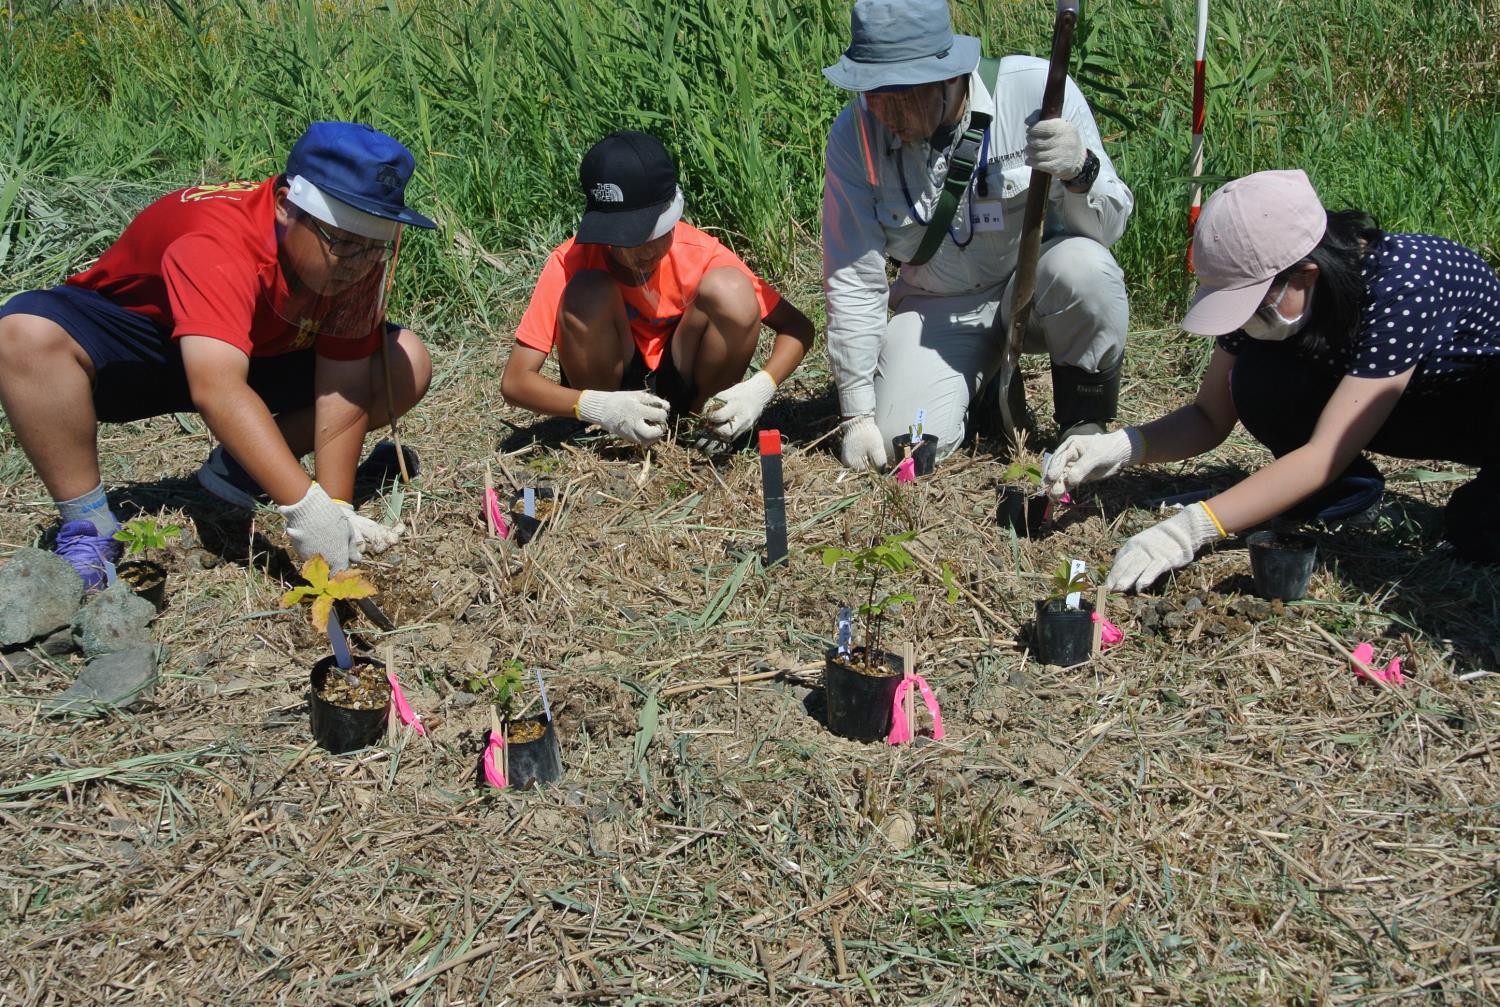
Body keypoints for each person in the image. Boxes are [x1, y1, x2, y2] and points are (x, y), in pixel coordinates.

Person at [0, 121, 433, 587]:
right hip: (141, 350)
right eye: (343, 243)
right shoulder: (217, 241)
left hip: (256, 351)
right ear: (286, 206)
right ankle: (88, 526)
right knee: (23, 335)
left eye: (373, 247)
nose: (358, 262)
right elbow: (218, 387)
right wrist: (305, 509)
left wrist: (336, 506)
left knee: (403, 360)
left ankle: (238, 470)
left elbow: (343, 382)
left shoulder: (354, 254)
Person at [1042, 169, 1500, 590]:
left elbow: (1323, 453)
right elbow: (1208, 416)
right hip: (1376, 399)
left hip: (1467, 410)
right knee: (1258, 376)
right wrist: (1123, 446)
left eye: (1254, 305)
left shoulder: (1405, 284)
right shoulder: (1279, 302)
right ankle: (1347, 500)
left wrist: (1191, 529)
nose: (1244, 322)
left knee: (1475, 529)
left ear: (1307, 273)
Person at [821, 0, 1132, 470]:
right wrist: (856, 412)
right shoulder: (854, 134)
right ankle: (982, 386)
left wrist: (1080, 169)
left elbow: (1107, 231)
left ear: (949, 76)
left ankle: (1083, 421)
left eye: (899, 95)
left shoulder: (1035, 90)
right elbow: (854, 278)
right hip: (936, 307)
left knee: (1086, 269)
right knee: (902, 444)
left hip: (1033, 291)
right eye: (871, 92)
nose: (884, 111)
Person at [500, 130, 815, 446]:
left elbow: (797, 327)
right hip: (611, 395)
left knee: (732, 290)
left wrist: (759, 389)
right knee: (587, 292)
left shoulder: (699, 253)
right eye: (626, 239)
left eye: (653, 235)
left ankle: (707, 423)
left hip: (684, 376)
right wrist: (596, 406)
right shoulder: (571, 261)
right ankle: (607, 433)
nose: (642, 251)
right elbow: (515, 381)